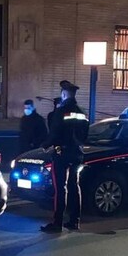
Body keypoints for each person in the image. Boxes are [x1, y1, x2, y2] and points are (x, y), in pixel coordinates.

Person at [40, 81, 90, 233]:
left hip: (62, 154)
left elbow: (54, 132)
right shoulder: (82, 112)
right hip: (77, 153)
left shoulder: (61, 111)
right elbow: (85, 135)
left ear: (63, 94)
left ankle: (57, 223)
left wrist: (44, 146)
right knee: (74, 186)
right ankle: (74, 221)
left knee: (60, 188)